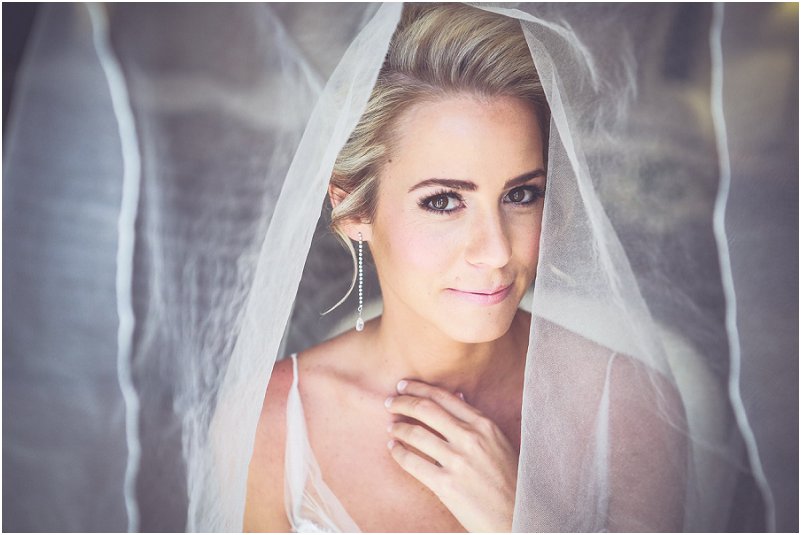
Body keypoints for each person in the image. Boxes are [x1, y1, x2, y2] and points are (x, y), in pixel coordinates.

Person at [244, 4, 686, 532]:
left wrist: (515, 519)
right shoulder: (272, 422)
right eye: (443, 202)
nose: (497, 250)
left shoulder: (629, 406)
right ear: (354, 211)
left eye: (521, 195)